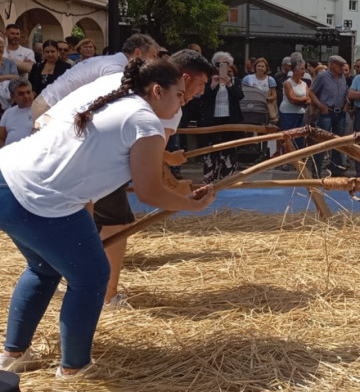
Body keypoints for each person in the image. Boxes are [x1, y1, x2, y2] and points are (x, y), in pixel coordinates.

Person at [0, 59, 216, 379]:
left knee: (43, 268)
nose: (183, 102)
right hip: (39, 198)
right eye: (180, 95)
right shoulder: (145, 120)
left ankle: (12, 354)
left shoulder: (116, 98)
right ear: (157, 90)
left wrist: (176, 185)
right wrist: (193, 205)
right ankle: (74, 368)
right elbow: (149, 191)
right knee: (92, 277)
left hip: (7, 178)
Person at [39, 50, 214, 308]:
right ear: (183, 79)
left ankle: (69, 282)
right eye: (200, 85)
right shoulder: (165, 103)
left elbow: (146, 149)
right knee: (115, 224)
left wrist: (167, 159)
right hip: (76, 154)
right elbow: (148, 177)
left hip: (50, 142)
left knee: (83, 218)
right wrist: (183, 195)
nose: (199, 93)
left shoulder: (134, 80)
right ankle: (106, 295)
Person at [32, 33, 159, 119]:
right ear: (137, 52)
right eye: (153, 56)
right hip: (48, 108)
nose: (155, 61)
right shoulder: (115, 68)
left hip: (50, 106)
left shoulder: (113, 63)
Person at [199, 52, 244, 183]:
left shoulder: (236, 81)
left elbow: (239, 97)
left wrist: (229, 83)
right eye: (219, 64)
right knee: (211, 148)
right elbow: (203, 97)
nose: (222, 67)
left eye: (225, 64)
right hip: (212, 119)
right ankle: (210, 177)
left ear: (230, 66)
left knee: (229, 148)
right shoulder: (208, 79)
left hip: (230, 119)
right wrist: (213, 85)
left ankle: (228, 178)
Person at [308, 55, 349, 177]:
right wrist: (320, 106)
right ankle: (317, 170)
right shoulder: (322, 76)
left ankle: (335, 168)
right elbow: (311, 92)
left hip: (340, 112)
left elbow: (344, 92)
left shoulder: (342, 77)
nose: (342, 68)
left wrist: (346, 103)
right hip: (327, 111)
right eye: (340, 65)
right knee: (322, 141)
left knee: (337, 142)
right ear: (332, 65)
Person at [279, 58, 309, 152]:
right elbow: (292, 99)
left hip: (301, 113)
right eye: (301, 69)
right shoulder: (288, 83)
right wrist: (303, 99)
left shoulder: (304, 84)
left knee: (300, 137)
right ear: (295, 71)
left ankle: (297, 160)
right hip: (288, 113)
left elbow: (309, 100)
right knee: (288, 137)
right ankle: (286, 160)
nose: (304, 71)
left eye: (304, 69)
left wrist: (300, 100)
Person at [0, 80, 33, 147]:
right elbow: (1, 138)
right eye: (21, 94)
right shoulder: (8, 113)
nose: (26, 96)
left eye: (28, 92)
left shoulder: (41, 109)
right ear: (13, 97)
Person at [0, 42, 20, 111]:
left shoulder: (10, 62)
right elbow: (12, 76)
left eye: (1, 46)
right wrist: (8, 76)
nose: (0, 49)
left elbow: (16, 77)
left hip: (8, 90)